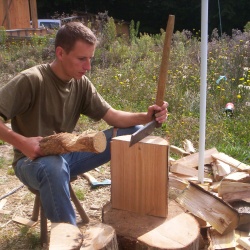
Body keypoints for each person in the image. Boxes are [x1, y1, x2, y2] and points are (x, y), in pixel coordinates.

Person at [0, 22, 168, 225]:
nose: (88, 67)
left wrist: (146, 116)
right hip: (30, 163)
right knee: (53, 166)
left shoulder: (81, 83)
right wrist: (23, 143)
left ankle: (137, 208)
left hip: (67, 155)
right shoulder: (31, 80)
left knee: (133, 132)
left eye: (90, 59)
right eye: (81, 59)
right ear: (60, 53)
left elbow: (113, 116)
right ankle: (68, 238)